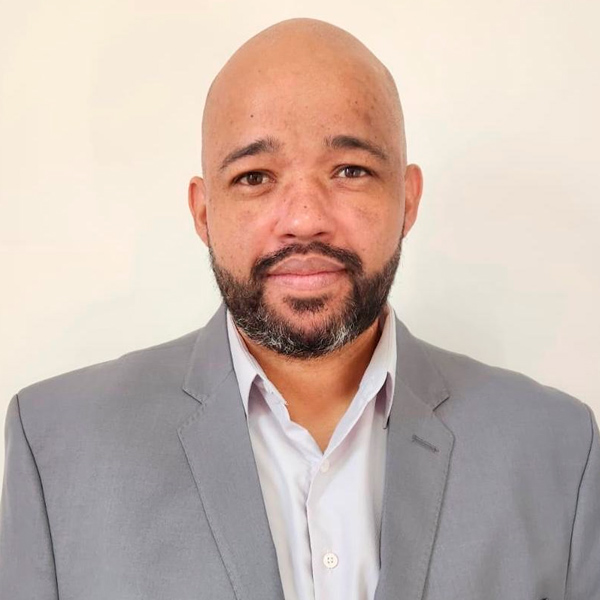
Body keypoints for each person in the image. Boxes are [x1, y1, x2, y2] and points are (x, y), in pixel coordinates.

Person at [0, 17, 598, 600]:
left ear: (408, 199)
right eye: (255, 177)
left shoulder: (558, 451)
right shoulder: (57, 447)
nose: (306, 219)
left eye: (350, 170)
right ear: (203, 213)